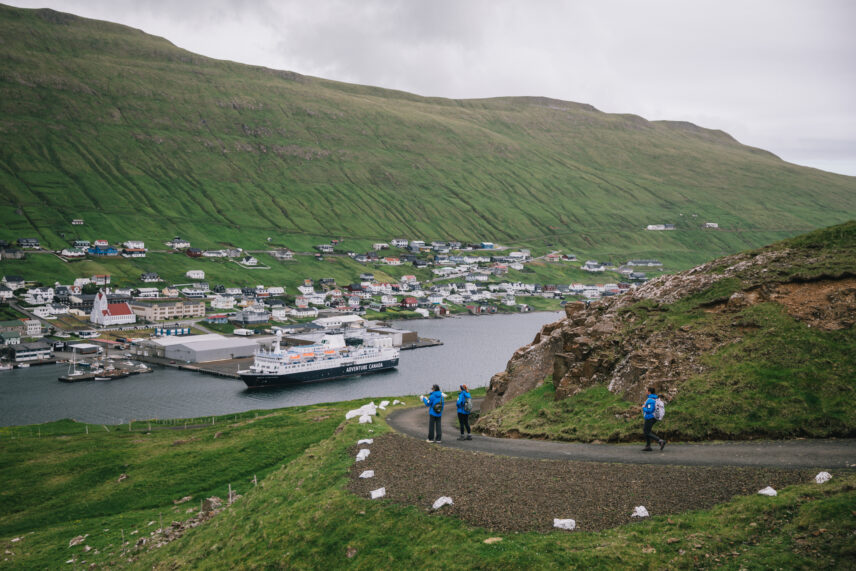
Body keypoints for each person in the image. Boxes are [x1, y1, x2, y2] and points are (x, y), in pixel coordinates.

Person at [642, 386, 666, 451]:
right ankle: (648, 446)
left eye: (646, 390)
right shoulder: (654, 398)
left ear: (649, 392)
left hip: (650, 417)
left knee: (646, 431)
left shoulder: (650, 400)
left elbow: (650, 410)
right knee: (647, 431)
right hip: (653, 417)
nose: (645, 391)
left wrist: (643, 407)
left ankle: (660, 441)